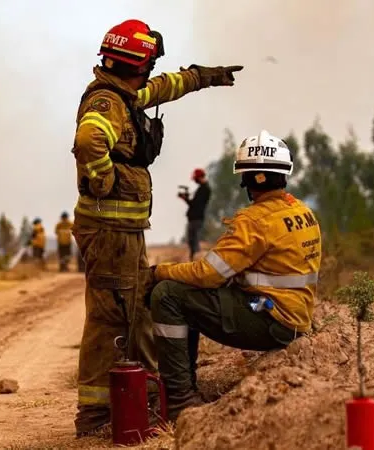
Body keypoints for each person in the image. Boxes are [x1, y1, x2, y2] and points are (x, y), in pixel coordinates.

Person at [70, 18, 243, 436]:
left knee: (130, 312)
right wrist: (103, 179)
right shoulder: (108, 103)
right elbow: (89, 140)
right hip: (110, 231)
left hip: (123, 232)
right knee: (112, 319)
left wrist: (202, 78)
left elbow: (164, 87)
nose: (150, 70)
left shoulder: (126, 93)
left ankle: (128, 401)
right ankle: (96, 416)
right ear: (136, 62)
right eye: (148, 62)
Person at [149, 130, 322, 421]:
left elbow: (207, 274)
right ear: (284, 174)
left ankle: (179, 401)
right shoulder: (303, 212)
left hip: (269, 318)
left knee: (167, 294)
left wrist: (158, 271)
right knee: (186, 294)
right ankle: (183, 390)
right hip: (294, 317)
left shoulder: (254, 221)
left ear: (249, 180)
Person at [179, 168, 212, 261]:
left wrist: (185, 198)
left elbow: (195, 204)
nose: (195, 180)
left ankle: (197, 260)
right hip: (195, 218)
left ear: (199, 177)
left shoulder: (204, 189)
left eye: (195, 178)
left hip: (196, 219)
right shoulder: (203, 188)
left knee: (194, 240)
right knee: (192, 241)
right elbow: (195, 203)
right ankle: (193, 259)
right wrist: (186, 199)